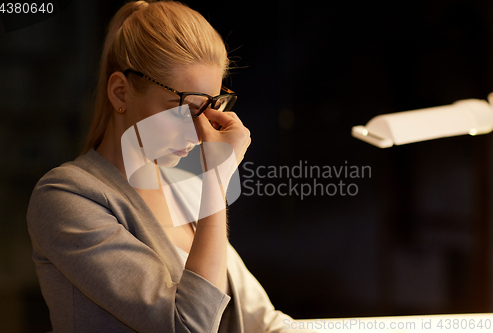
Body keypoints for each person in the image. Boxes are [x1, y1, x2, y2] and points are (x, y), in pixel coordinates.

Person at [27, 1, 307, 332]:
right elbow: (188, 326)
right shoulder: (65, 198)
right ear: (120, 93)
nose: (201, 131)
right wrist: (215, 180)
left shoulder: (182, 189)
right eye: (184, 108)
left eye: (210, 108)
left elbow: (262, 321)